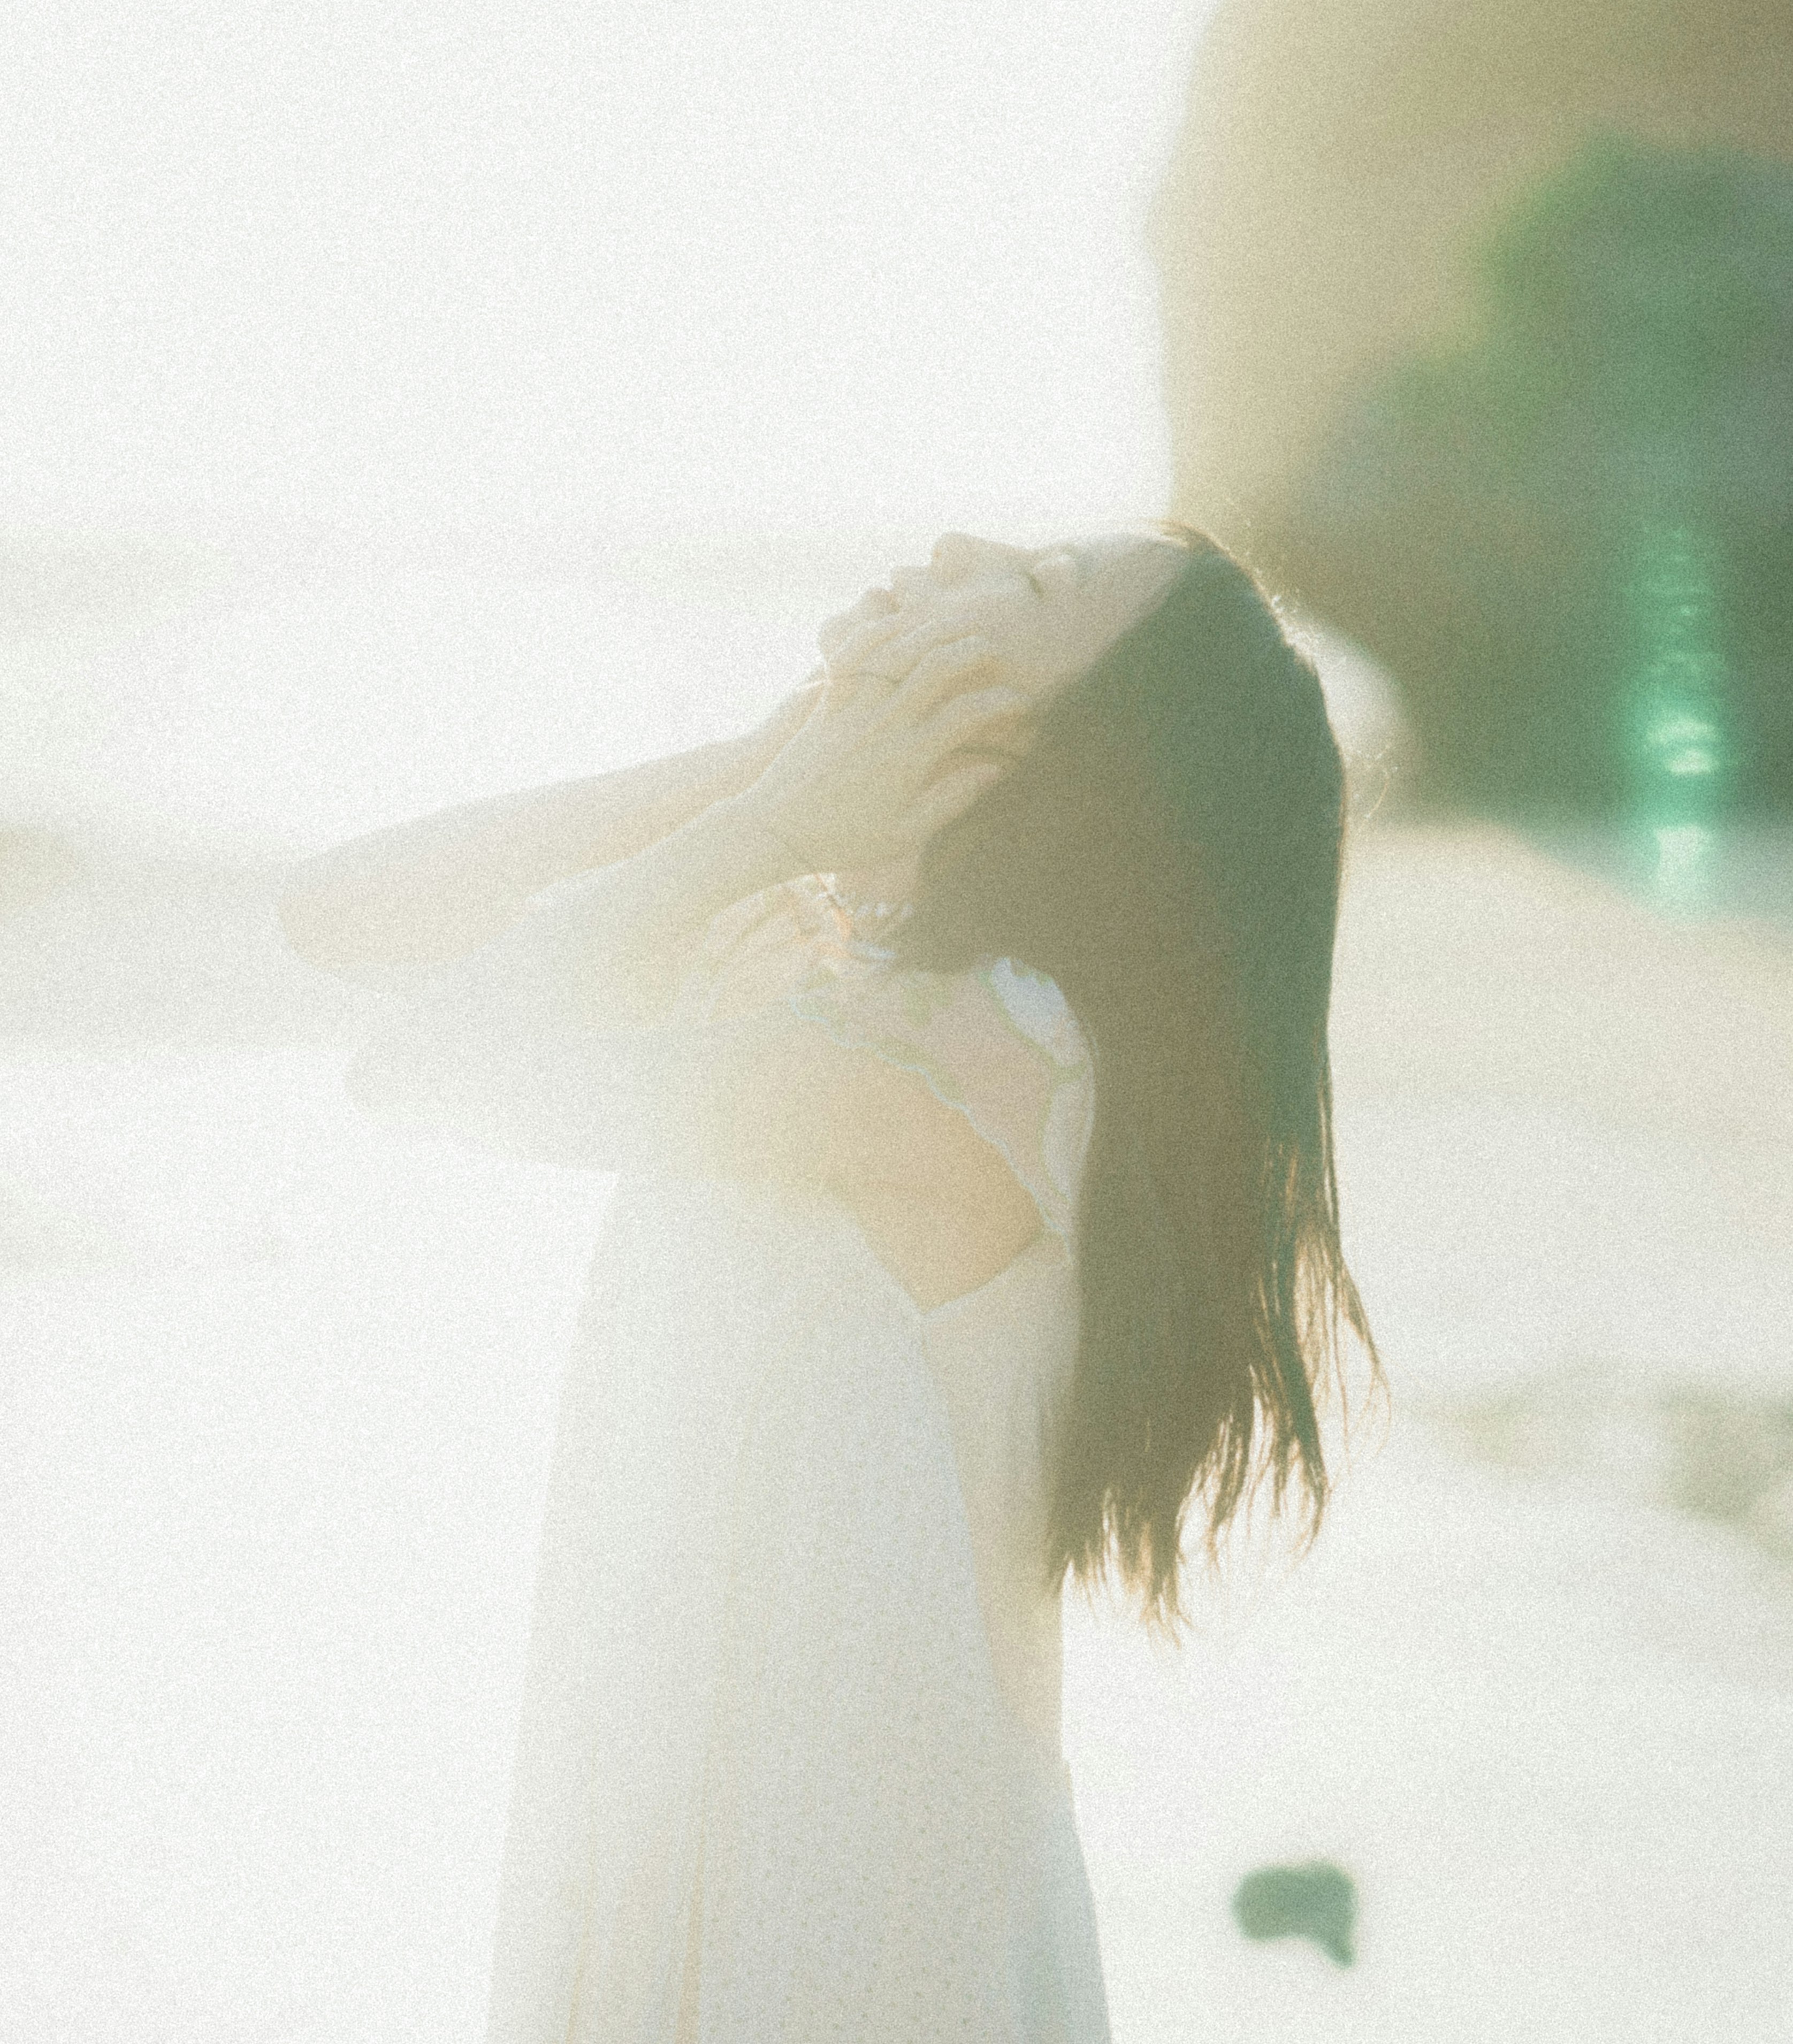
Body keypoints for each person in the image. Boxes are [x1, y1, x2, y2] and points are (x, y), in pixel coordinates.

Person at [277, 522, 1374, 2042]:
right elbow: (336, 916)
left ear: (1047, 755)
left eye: (1040, 586)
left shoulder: (974, 1057)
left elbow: (429, 1068)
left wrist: (762, 824)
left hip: (840, 1933)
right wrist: (758, 779)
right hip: (730, 1869)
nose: (960, 543)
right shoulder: (833, 979)